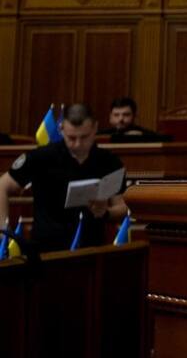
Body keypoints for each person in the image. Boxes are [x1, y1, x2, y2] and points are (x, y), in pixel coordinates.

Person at [0, 103, 127, 252]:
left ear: (95, 128)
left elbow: (123, 206)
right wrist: (3, 231)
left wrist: (106, 212)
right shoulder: (41, 157)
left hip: (91, 247)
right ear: (61, 129)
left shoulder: (109, 161)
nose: (78, 144)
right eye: (71, 138)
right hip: (47, 248)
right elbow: (3, 186)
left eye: (84, 137)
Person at [103, 96, 171, 143]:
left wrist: (141, 137)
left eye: (126, 115)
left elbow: (166, 139)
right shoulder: (102, 136)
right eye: (116, 115)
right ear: (110, 117)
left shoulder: (144, 134)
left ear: (134, 116)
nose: (121, 119)